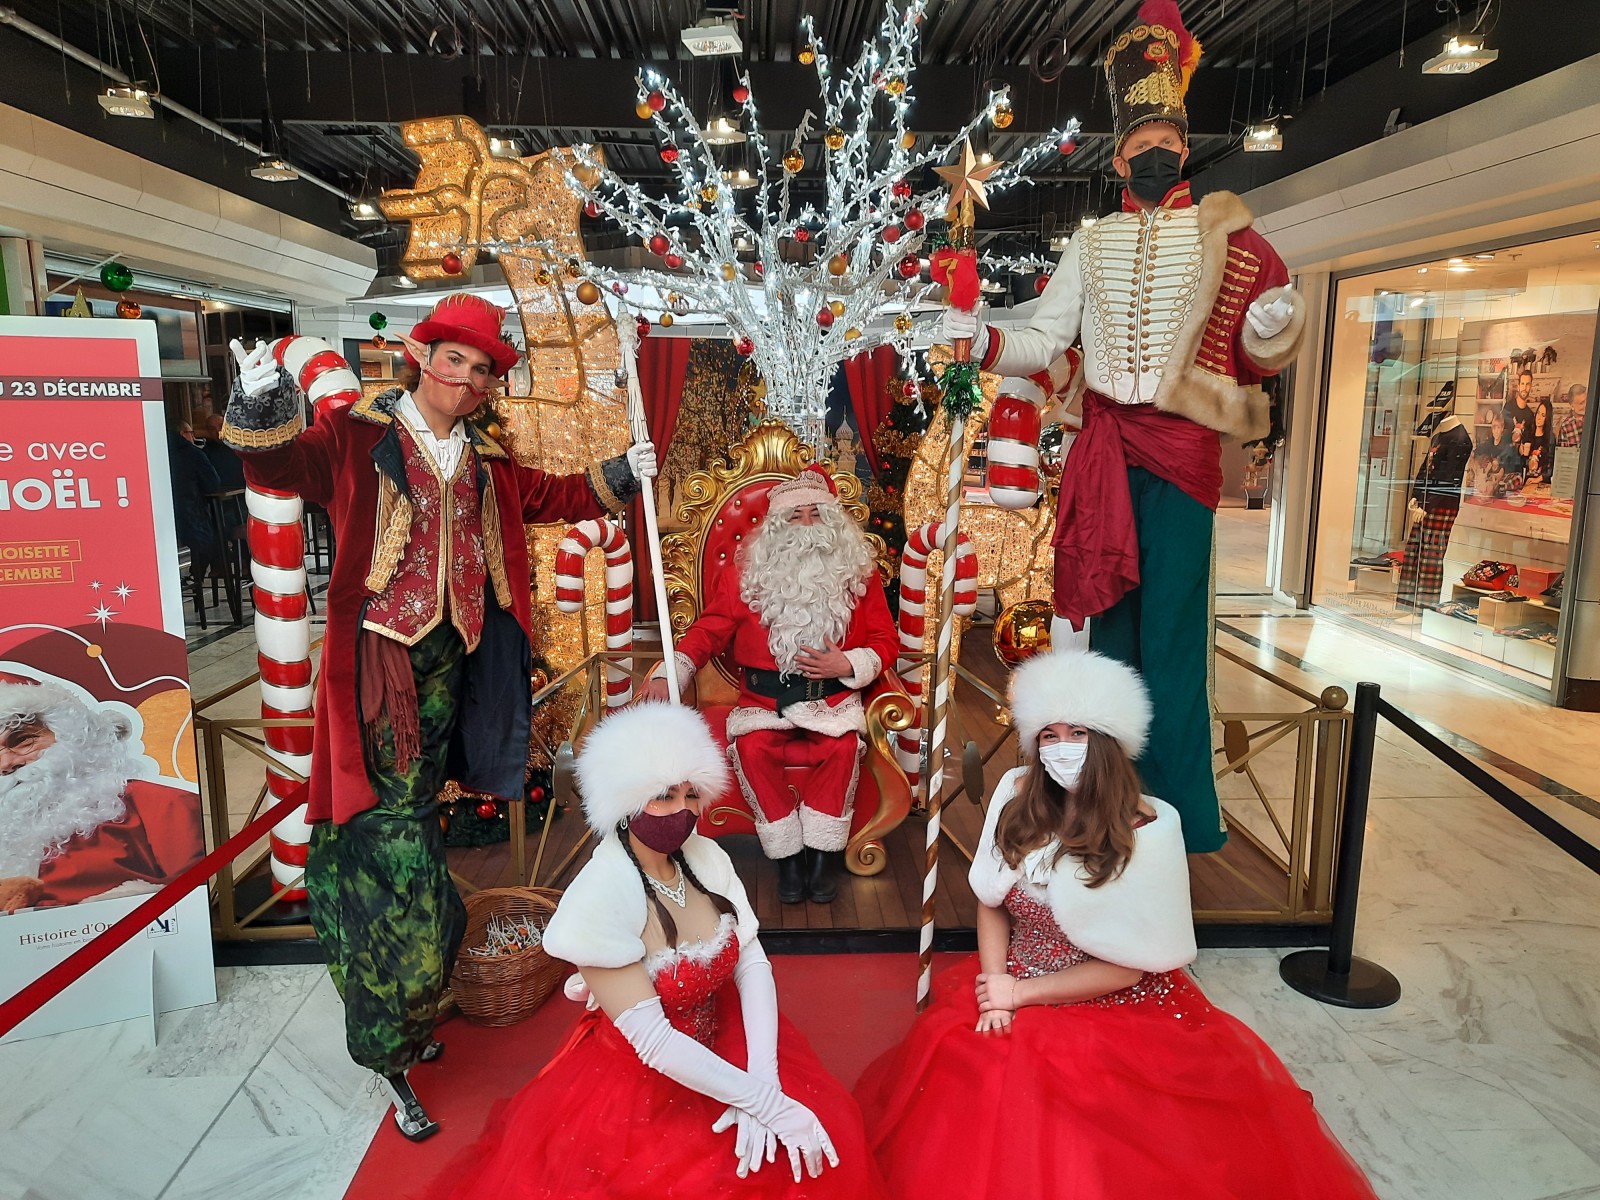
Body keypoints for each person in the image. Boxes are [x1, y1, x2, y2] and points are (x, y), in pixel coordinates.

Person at [221, 292, 658, 1141]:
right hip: (377, 669)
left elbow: (557, 494)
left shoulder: (489, 461)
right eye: (453, 358)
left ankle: (408, 992)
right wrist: (262, 400)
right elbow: (273, 471)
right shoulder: (353, 438)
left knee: (415, 832)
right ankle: (391, 1037)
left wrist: (623, 472)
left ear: (493, 384)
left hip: (457, 668)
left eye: (484, 366)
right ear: (421, 356)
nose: (466, 376)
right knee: (396, 864)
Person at [939, 0, 1305, 853]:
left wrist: (1270, 321)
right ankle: (1108, 806)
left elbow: (1256, 345)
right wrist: (983, 336)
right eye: (1140, 145)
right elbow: (1043, 337)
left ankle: (1180, 818)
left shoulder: (1225, 238)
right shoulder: (1092, 241)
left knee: (1175, 637)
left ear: (1186, 145)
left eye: (1167, 142)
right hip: (1106, 451)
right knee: (1110, 636)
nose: (1155, 155)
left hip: (1181, 453)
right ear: (1118, 155)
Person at [853, 647, 1379, 1199]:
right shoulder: (1017, 796)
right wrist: (993, 986)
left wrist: (1021, 994)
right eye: (1048, 736)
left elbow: (1126, 969)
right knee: (966, 1082)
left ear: (1105, 742)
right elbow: (991, 901)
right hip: (1011, 978)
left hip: (1104, 997)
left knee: (1081, 1128)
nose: (1059, 749)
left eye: (1076, 732)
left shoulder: (1146, 830)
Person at [435, 702, 885, 1200]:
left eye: (691, 794)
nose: (683, 810)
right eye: (664, 796)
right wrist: (765, 1104)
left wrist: (765, 1079)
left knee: (812, 1142)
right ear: (627, 801)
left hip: (728, 1039)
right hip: (643, 1080)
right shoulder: (601, 895)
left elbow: (750, 959)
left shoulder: (705, 857)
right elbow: (653, 1042)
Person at [640, 465, 899, 905]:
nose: (806, 525)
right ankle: (788, 858)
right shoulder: (746, 578)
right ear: (776, 526)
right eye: (794, 517)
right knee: (752, 749)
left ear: (833, 521)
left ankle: (821, 855)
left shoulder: (860, 576)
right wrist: (674, 669)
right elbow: (710, 629)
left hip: (832, 700)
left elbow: (885, 641)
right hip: (763, 702)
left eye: (816, 514)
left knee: (841, 749)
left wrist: (848, 661)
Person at [0, 674, 203, 912]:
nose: (6, 764)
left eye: (23, 741)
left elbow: (193, 894)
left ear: (74, 736)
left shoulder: (163, 804)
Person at [1558, 383, 1587, 448]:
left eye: (1587, 400)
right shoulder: (1565, 426)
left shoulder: (1595, 418)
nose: (1586, 405)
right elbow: (1564, 455)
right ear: (1572, 405)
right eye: (1581, 403)